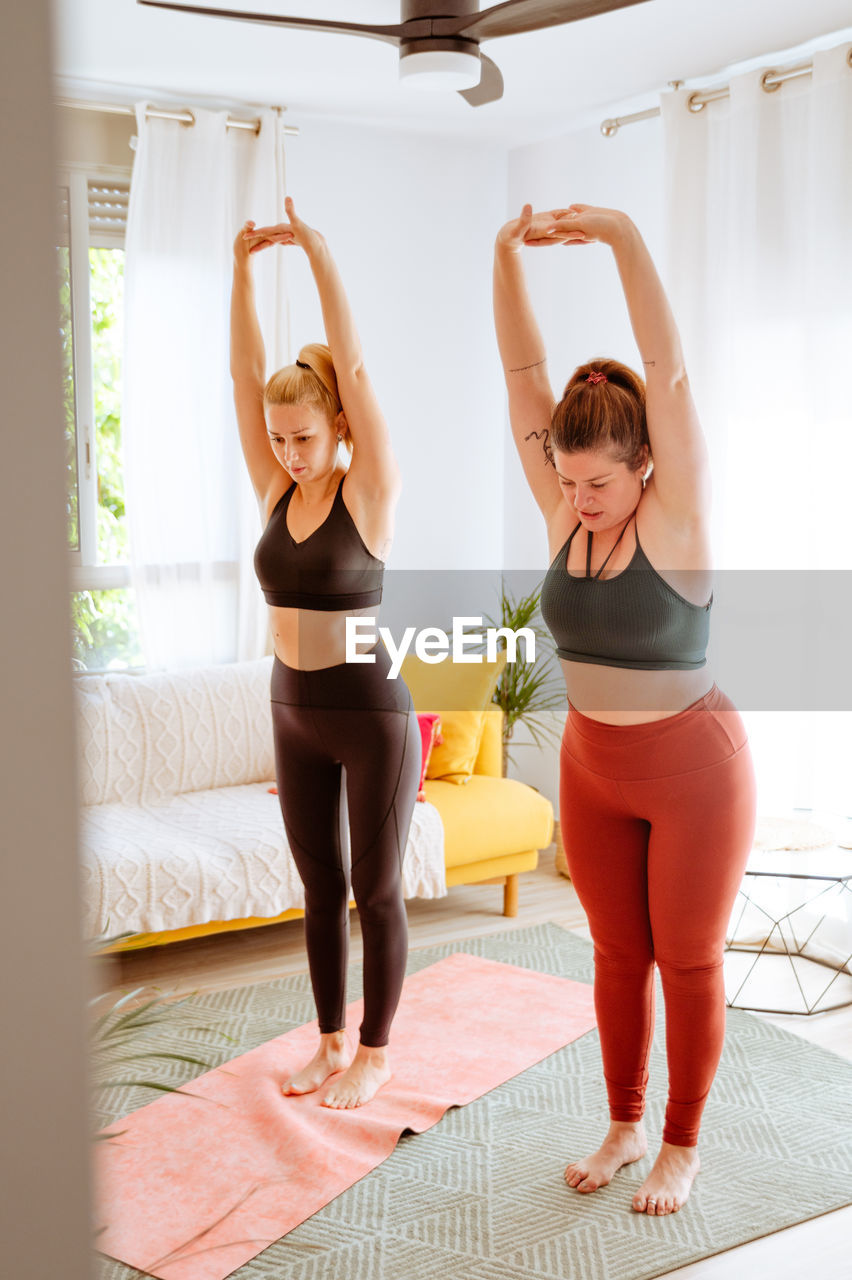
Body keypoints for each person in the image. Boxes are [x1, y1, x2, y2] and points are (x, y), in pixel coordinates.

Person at [493, 203, 756, 1215]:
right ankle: (622, 1117)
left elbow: (670, 366)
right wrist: (503, 253)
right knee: (616, 952)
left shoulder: (678, 515)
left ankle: (681, 1142)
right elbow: (523, 376)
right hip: (592, 764)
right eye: (565, 476)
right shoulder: (566, 508)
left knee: (687, 956)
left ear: (645, 461)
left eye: (598, 479)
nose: (578, 494)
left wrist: (619, 236)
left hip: (695, 766)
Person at [231, 196, 421, 1109]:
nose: (289, 452)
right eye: (277, 438)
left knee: (376, 888)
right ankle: (329, 1041)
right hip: (292, 711)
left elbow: (354, 360)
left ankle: (377, 1052)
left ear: (338, 424)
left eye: (304, 436)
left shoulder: (370, 487)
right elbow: (240, 373)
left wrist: (317, 253)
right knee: (319, 885)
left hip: (368, 713)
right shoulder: (275, 488)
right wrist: (239, 273)